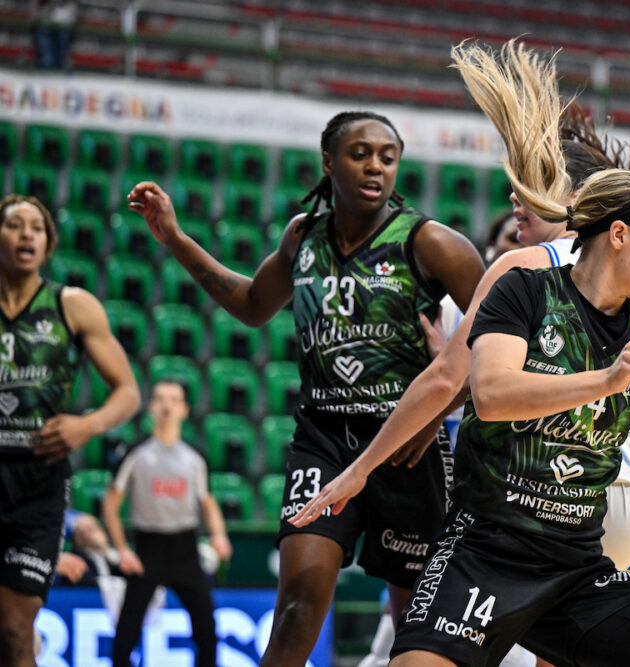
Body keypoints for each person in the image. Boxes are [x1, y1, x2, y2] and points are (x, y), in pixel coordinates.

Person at [292, 39, 630, 666]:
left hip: (577, 565)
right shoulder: (524, 284)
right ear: (618, 236)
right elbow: (491, 392)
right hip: (486, 553)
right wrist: (609, 377)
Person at [127, 110, 485, 666]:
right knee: (295, 611)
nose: (375, 166)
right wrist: (174, 239)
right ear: (328, 161)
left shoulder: (432, 242)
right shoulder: (303, 237)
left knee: (415, 631)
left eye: (387, 157)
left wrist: (441, 408)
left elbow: (500, 342)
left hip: (406, 447)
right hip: (324, 437)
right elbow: (250, 306)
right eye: (359, 153)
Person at [0, 194, 140, 667]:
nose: (25, 234)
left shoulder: (72, 306)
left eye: (35, 227)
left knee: (16, 628)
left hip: (38, 485)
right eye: (14, 224)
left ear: (48, 242)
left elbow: (127, 392)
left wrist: (89, 424)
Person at [103, 380, 231, 667]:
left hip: (186, 549)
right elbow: (111, 504)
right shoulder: (135, 454)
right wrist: (122, 549)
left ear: (184, 409)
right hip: (148, 549)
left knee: (207, 632)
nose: (166, 405)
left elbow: (208, 503)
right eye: (160, 398)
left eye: (174, 399)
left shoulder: (195, 458)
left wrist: (219, 535)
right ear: (151, 407)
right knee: (126, 633)